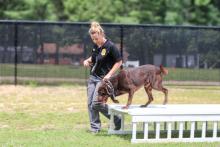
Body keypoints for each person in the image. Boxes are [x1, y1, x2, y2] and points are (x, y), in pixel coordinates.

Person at [83, 21, 122, 133]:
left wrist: (109, 75)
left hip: (103, 79)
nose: (95, 41)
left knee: (97, 103)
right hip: (92, 78)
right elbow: (95, 57)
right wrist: (87, 60)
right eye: (93, 39)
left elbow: (119, 62)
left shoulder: (110, 46)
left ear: (101, 34)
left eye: (96, 38)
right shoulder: (96, 46)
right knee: (90, 104)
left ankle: (116, 118)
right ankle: (95, 128)